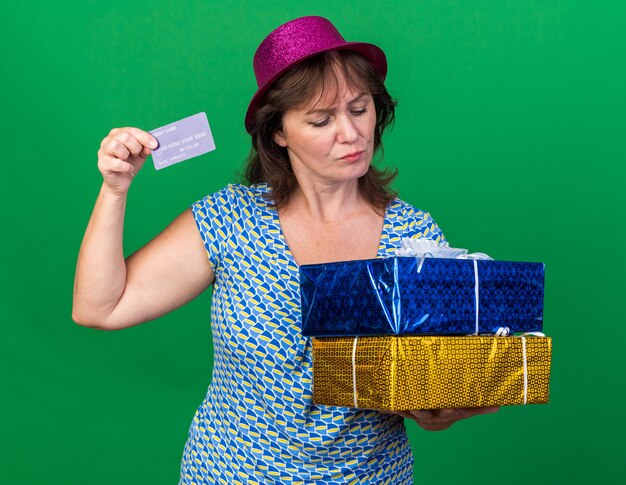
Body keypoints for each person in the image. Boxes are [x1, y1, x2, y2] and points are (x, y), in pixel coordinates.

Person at [73, 16, 498, 485]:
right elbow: (100, 306)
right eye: (321, 120)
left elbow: (431, 382)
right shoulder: (230, 219)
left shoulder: (412, 234)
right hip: (229, 474)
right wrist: (115, 190)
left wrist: (439, 407)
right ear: (278, 131)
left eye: (359, 110)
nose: (350, 134)